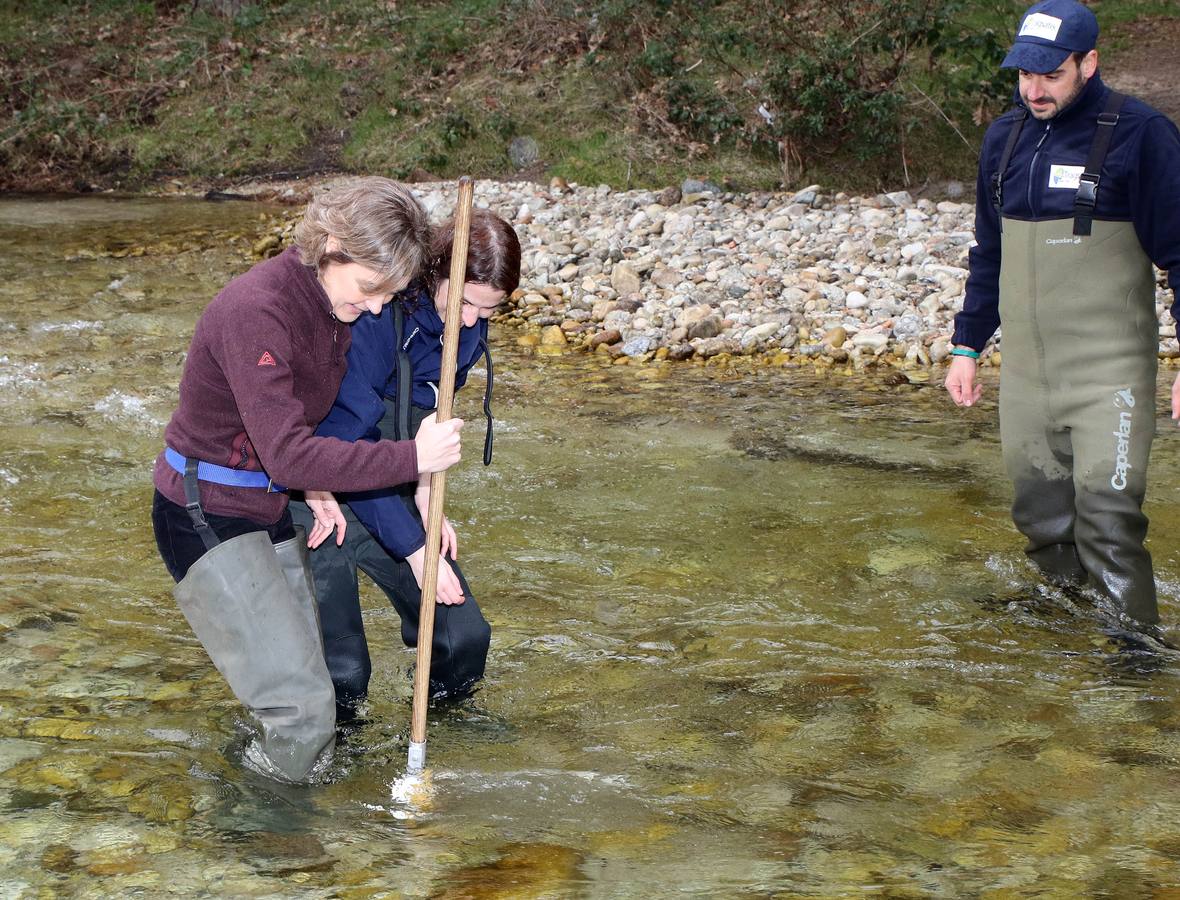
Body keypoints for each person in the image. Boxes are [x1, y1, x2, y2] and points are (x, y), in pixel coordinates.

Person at [151, 177, 466, 782]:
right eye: (371, 288)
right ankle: (250, 825)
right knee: (302, 713)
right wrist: (413, 458)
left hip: (267, 505)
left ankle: (260, 792)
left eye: (390, 294)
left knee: (306, 692)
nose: (378, 308)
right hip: (204, 512)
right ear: (332, 246)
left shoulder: (331, 306)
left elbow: (294, 431)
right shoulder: (258, 310)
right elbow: (289, 454)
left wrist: (314, 488)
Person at [944, 0, 1180, 627]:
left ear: (1089, 63)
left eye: (1051, 74)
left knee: (1109, 522)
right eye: (1026, 74)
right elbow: (989, 251)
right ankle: (1066, 624)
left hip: (1109, 377)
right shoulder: (1005, 138)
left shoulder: (1141, 133)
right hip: (1027, 377)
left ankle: (1136, 655)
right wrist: (967, 346)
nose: (1034, 90)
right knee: (1041, 519)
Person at [288, 209, 521, 716]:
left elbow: (430, 416)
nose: (471, 321)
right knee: (343, 670)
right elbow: (347, 439)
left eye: (488, 310)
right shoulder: (374, 316)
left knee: (461, 637)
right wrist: (415, 551)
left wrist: (425, 490)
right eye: (465, 303)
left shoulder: (467, 330)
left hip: (392, 484)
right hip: (319, 491)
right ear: (436, 273)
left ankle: (444, 734)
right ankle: (335, 754)